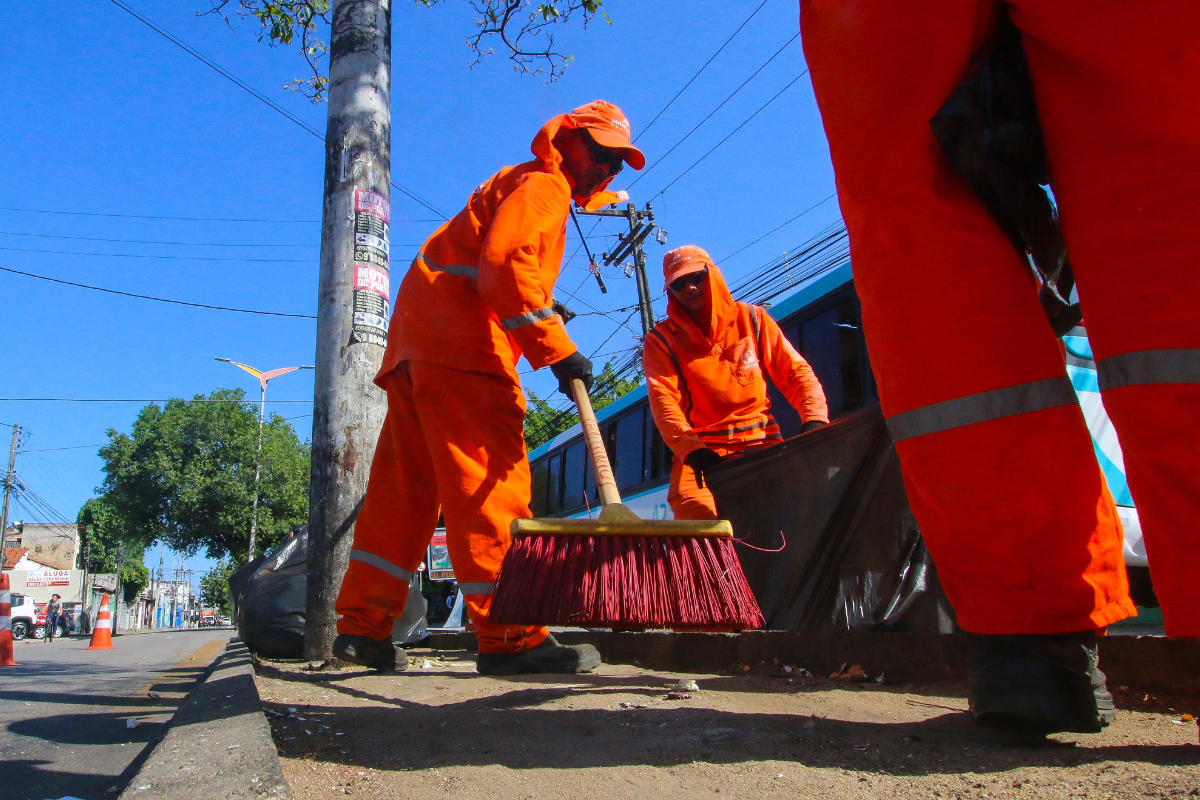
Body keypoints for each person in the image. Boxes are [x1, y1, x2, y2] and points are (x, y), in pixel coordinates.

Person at [798, 0, 1198, 733]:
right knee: (1169, 136)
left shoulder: (741, 319)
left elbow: (787, 366)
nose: (602, 170)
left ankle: (1028, 644)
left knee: (910, 203)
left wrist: (811, 411)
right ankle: (1028, 634)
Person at [333, 101, 646, 674]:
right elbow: (505, 267)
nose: (605, 169)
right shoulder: (544, 186)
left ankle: (361, 628)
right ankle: (511, 637)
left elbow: (496, 266)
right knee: (491, 487)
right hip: (464, 351)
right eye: (598, 151)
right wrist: (557, 348)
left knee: (404, 498)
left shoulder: (516, 184)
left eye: (617, 162)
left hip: (417, 350)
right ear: (565, 138)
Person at [643, 246, 829, 520]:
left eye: (696, 277)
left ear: (713, 274)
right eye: (679, 284)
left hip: (762, 445)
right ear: (671, 292)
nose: (689, 288)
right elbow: (664, 403)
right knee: (696, 517)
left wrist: (814, 419)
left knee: (789, 521)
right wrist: (692, 451)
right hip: (704, 458)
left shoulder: (752, 319)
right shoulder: (661, 340)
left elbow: (796, 373)